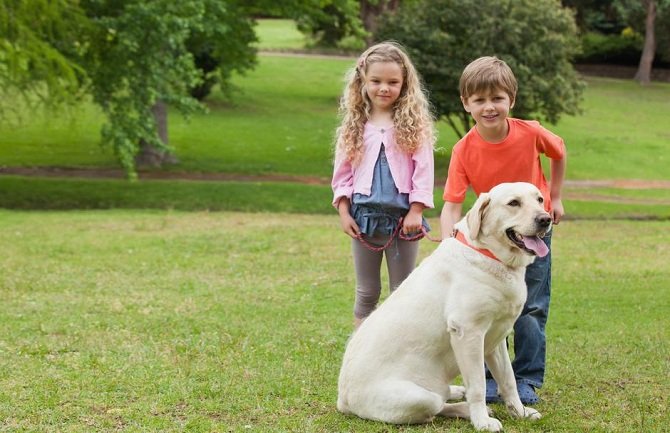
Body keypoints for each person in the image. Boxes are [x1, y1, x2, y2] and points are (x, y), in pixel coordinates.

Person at [439, 56, 566, 405]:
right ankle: (492, 381)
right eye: (479, 100)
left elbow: (559, 151)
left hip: (535, 231)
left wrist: (554, 197)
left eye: (497, 98)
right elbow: (452, 204)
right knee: (486, 307)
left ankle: (526, 378)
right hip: (490, 241)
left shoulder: (531, 132)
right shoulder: (463, 150)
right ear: (466, 104)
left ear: (512, 99)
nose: (489, 107)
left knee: (531, 307)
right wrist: (453, 243)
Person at [331, 41, 436, 329]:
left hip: (403, 221)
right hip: (363, 219)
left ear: (404, 83)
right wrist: (343, 212)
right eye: (376, 81)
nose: (384, 88)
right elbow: (342, 174)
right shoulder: (355, 125)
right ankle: (361, 357)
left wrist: (416, 210)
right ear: (363, 81)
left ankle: (399, 356)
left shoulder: (413, 124)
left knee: (402, 292)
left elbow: (424, 170)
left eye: (393, 82)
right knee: (367, 292)